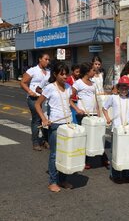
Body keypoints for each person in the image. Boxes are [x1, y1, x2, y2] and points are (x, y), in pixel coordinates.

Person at [34, 62, 73, 192]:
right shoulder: (50, 87)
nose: (65, 76)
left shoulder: (68, 87)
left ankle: (63, 180)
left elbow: (68, 103)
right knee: (55, 154)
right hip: (56, 125)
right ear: (55, 74)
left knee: (66, 153)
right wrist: (44, 119)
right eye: (62, 74)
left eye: (66, 74)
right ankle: (52, 181)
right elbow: (38, 104)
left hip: (68, 124)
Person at [71, 62, 109, 169]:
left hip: (93, 114)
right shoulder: (78, 83)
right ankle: (85, 161)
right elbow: (69, 98)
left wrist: (99, 114)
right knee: (85, 138)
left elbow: (95, 99)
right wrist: (77, 109)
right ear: (87, 72)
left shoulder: (93, 83)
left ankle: (103, 158)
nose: (95, 71)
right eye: (93, 70)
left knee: (97, 137)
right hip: (83, 115)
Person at [102, 75, 129, 184]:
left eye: (126, 87)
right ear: (118, 87)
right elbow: (104, 108)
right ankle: (115, 175)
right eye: (122, 87)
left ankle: (127, 174)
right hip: (117, 130)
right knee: (116, 152)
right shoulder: (113, 97)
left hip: (128, 130)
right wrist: (108, 118)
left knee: (128, 152)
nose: (124, 89)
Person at [20, 53, 51, 151]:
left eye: (48, 60)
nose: (47, 61)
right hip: (34, 99)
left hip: (45, 99)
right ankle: (35, 142)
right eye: (45, 59)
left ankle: (45, 140)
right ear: (40, 59)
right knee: (37, 119)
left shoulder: (49, 72)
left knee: (46, 119)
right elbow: (23, 82)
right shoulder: (32, 70)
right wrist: (30, 91)